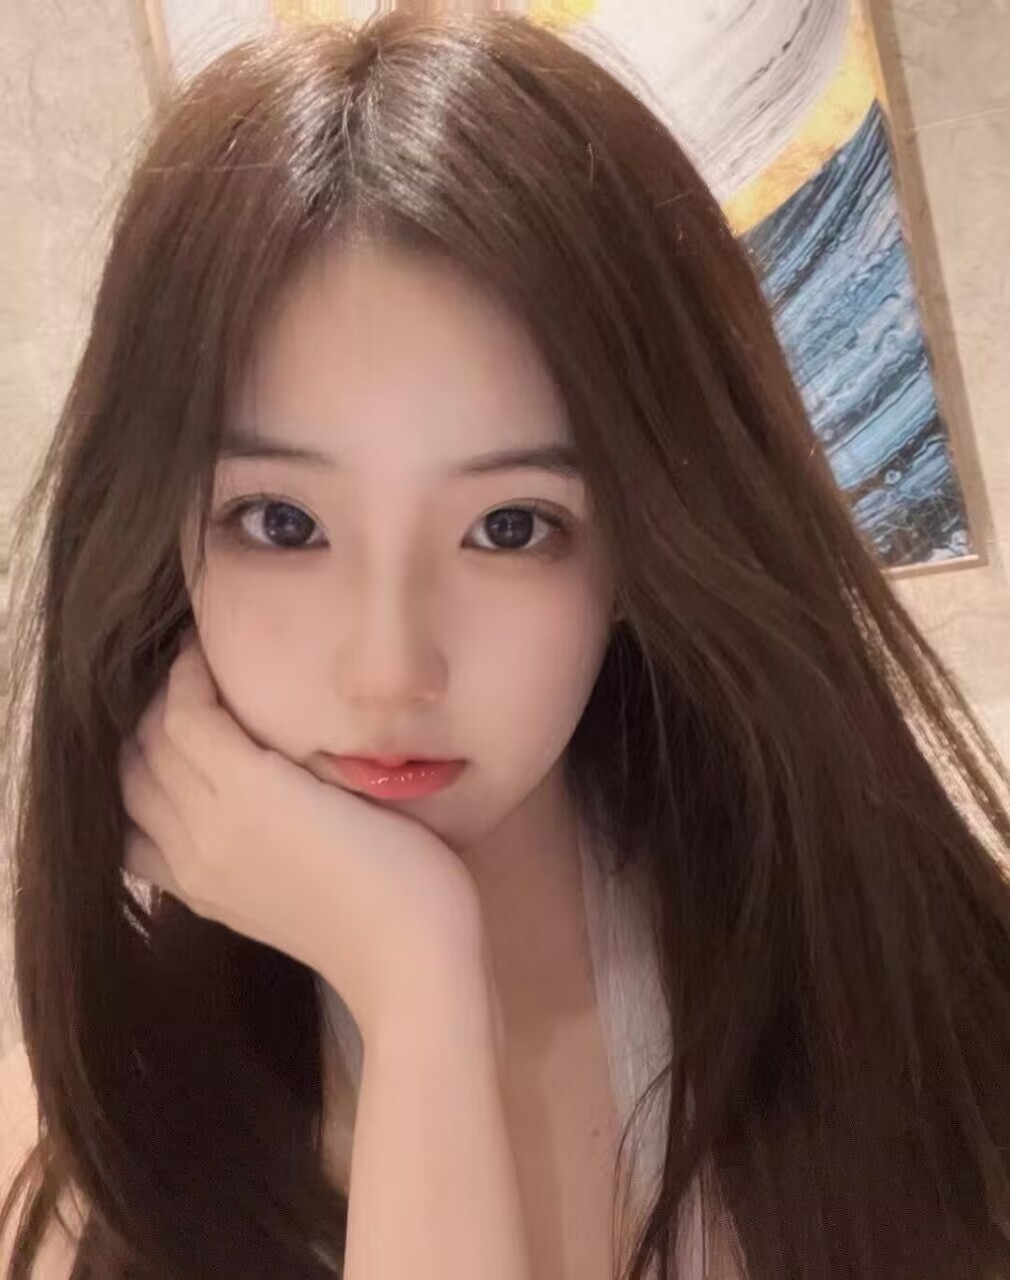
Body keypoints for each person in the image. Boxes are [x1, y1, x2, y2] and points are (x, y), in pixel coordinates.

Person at [2, 10, 1009, 1279]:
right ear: (164, 542)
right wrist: (415, 985)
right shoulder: (90, 1145)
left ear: (639, 549)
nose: (389, 669)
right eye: (282, 522)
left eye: (510, 525)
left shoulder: (912, 1011)